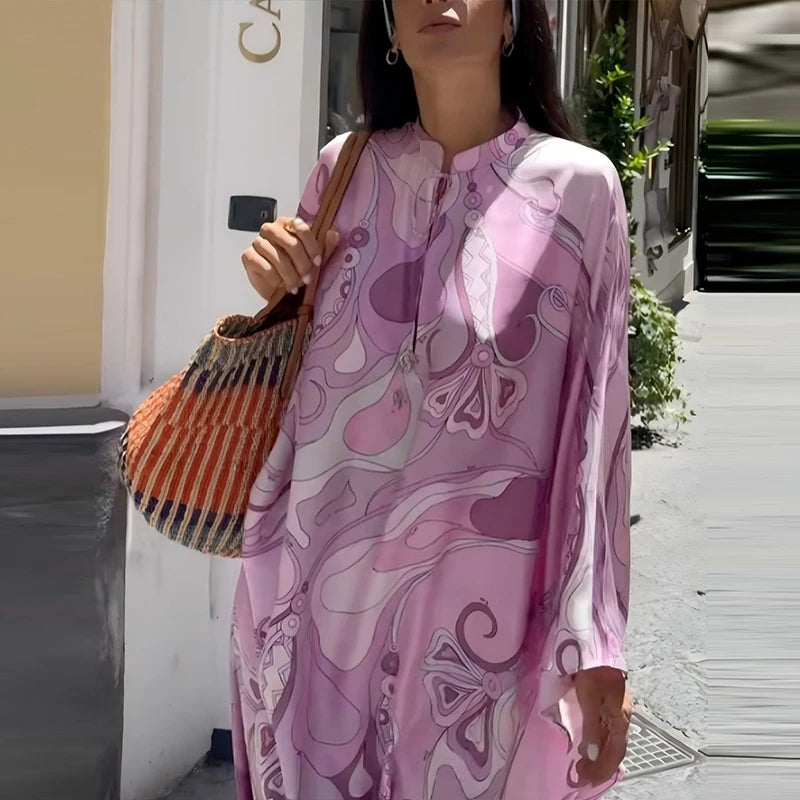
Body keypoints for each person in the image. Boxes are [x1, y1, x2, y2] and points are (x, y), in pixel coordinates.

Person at [234, 1, 633, 798]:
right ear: (386, 24)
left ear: (516, 18)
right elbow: (310, 384)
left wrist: (596, 647)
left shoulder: (579, 193)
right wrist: (274, 284)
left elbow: (599, 435)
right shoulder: (340, 170)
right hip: (315, 623)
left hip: (482, 643)